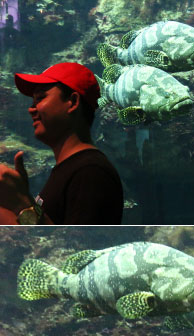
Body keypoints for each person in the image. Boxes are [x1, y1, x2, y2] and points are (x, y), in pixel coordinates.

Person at [0, 62, 123, 224]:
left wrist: (20, 202)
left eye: (40, 98)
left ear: (72, 102)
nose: (31, 109)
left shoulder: (91, 173)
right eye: (32, 102)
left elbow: (77, 242)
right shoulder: (71, 169)